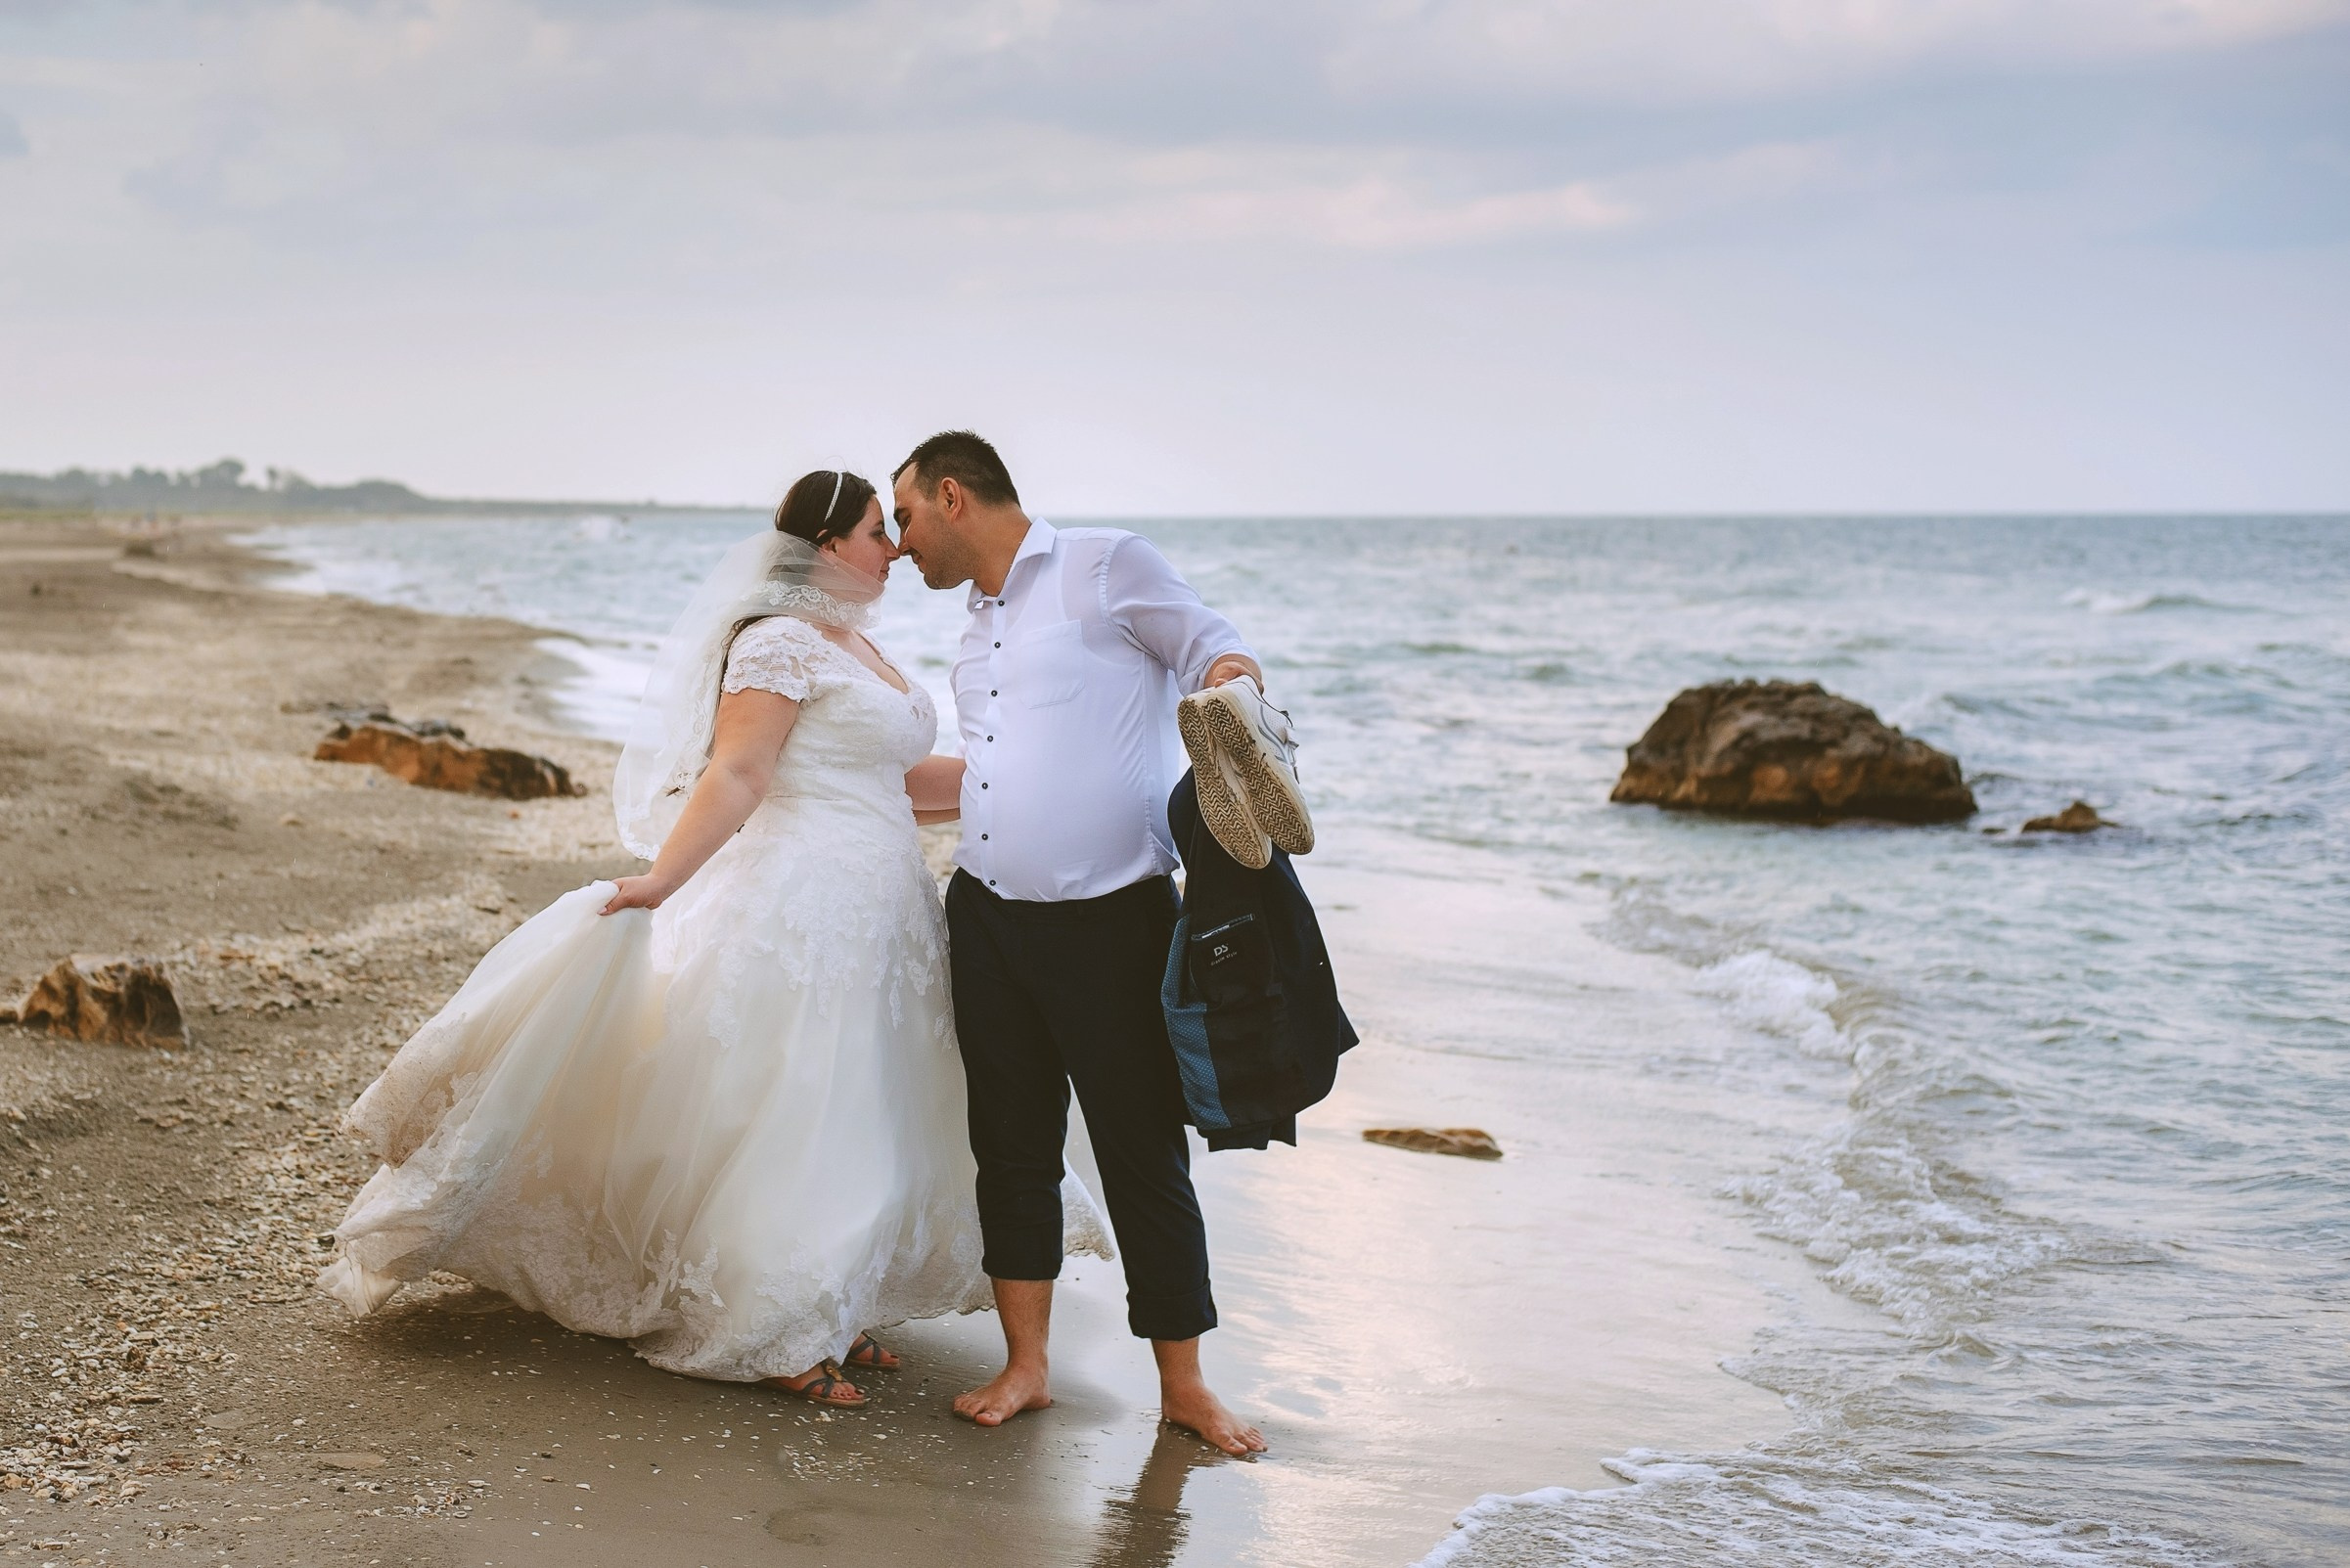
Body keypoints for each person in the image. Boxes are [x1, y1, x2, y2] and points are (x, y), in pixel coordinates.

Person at [316, 469, 1108, 1408]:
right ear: (826, 547)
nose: (892, 547)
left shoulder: (855, 643)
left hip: (886, 899)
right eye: (874, 531)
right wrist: (660, 880)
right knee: (800, 1103)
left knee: (873, 1102)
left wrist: (1037, 777)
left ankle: (832, 1299)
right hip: (803, 899)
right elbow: (739, 772)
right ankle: (768, 1324)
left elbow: (899, 779)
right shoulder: (776, 644)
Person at [891, 430, 1271, 1456]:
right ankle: (1026, 1366)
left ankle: (1185, 1385)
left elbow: (1209, 645)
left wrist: (1233, 689)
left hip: (1111, 922)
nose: (898, 543)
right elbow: (991, 769)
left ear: (954, 496)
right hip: (986, 918)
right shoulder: (972, 627)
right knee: (1009, 1146)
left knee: (1140, 1151)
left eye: (906, 517)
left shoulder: (1106, 565)